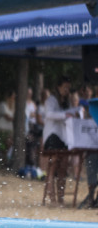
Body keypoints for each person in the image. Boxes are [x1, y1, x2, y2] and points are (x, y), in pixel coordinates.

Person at [42, 76, 77, 205]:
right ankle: (52, 199)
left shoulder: (67, 102)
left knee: (63, 167)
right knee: (53, 166)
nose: (67, 90)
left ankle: (61, 199)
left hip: (63, 137)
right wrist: (65, 115)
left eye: (68, 88)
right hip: (52, 136)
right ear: (58, 87)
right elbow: (49, 114)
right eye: (65, 87)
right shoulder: (51, 100)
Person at [0, 90, 15, 164]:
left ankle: (6, 161)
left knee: (8, 146)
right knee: (3, 146)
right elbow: (7, 117)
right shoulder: (3, 105)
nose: (13, 99)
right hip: (1, 130)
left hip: (9, 130)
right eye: (12, 97)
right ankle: (2, 162)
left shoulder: (13, 107)